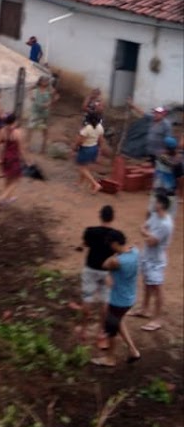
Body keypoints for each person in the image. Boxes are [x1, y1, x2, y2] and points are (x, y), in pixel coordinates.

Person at [91, 232, 140, 367]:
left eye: (111, 245)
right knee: (119, 322)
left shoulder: (117, 261)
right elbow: (132, 246)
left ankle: (110, 358)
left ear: (114, 244)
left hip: (118, 301)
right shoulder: (135, 252)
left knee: (111, 328)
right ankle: (133, 351)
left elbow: (105, 264)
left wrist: (113, 254)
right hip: (129, 297)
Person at [76, 204, 121, 344]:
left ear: (100, 215)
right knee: (104, 301)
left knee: (87, 299)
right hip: (106, 272)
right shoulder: (116, 235)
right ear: (112, 217)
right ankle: (101, 332)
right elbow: (118, 251)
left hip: (90, 268)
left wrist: (80, 247)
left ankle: (83, 330)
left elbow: (84, 244)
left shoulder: (90, 231)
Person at [135, 192, 173, 331]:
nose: (153, 203)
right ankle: (144, 309)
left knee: (157, 289)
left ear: (161, 204)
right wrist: (147, 234)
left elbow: (151, 241)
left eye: (156, 201)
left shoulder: (166, 224)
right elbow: (143, 228)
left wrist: (145, 234)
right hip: (147, 256)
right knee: (147, 283)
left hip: (156, 261)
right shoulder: (155, 216)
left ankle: (157, 319)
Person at [151, 136, 182, 221]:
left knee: (155, 214)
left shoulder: (158, 156)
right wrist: (180, 191)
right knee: (169, 217)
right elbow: (180, 179)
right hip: (170, 194)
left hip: (158, 190)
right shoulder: (177, 162)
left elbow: (156, 169)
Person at [75, 112, 105, 194]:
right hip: (94, 148)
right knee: (86, 167)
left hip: (85, 149)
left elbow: (80, 141)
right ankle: (79, 183)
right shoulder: (100, 127)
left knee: (82, 168)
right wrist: (99, 151)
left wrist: (75, 147)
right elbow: (101, 140)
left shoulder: (87, 128)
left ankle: (95, 184)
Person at [0, 113, 24, 204]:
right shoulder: (17, 132)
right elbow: (20, 149)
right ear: (14, 121)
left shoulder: (2, 130)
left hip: (5, 157)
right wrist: (25, 160)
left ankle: (8, 198)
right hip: (14, 158)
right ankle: (2, 198)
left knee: (8, 178)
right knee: (16, 180)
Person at [28, 76, 57, 153]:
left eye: (46, 81)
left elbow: (56, 97)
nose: (45, 82)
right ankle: (28, 146)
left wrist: (49, 103)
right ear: (40, 81)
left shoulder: (50, 89)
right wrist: (31, 96)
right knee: (30, 128)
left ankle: (43, 149)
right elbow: (29, 88)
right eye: (43, 81)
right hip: (35, 111)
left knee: (44, 130)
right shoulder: (36, 86)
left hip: (44, 113)